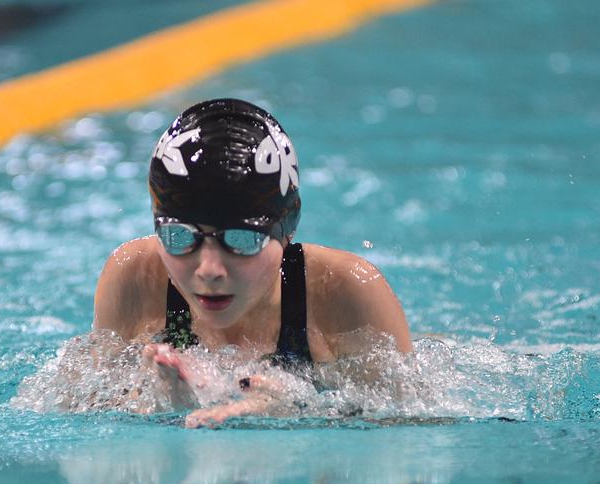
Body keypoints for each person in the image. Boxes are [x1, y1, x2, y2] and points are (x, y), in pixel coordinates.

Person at [93, 98, 412, 427]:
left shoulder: (346, 291)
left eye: (242, 239)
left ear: (287, 227)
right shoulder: (135, 276)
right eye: (180, 237)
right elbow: (87, 411)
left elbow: (411, 438)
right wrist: (155, 407)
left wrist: (299, 414)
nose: (209, 270)